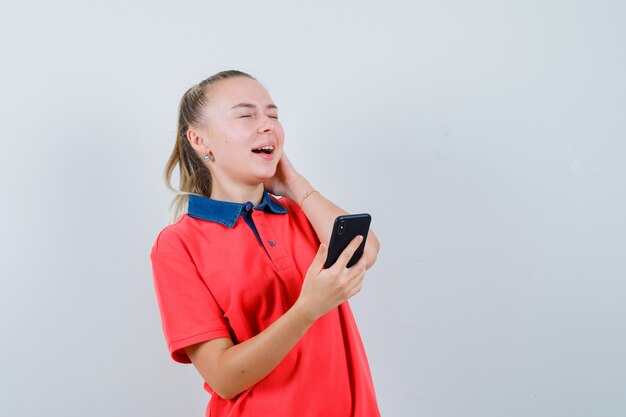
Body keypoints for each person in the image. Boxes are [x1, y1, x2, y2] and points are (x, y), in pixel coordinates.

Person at [150, 70, 382, 417]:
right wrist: (307, 310)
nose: (268, 125)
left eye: (273, 115)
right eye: (246, 115)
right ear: (199, 140)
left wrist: (295, 184)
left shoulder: (301, 212)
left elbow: (368, 251)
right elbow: (225, 378)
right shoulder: (178, 245)